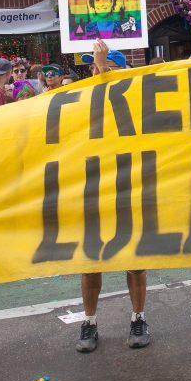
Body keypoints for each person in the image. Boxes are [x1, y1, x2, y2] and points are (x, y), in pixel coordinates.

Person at [74, 39, 150, 353]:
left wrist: (106, 69)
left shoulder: (135, 97)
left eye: (101, 66)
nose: (95, 71)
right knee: (91, 261)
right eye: (93, 67)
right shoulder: (82, 99)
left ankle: (138, 318)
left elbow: (118, 108)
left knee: (135, 260)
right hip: (93, 189)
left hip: (128, 187)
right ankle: (89, 322)